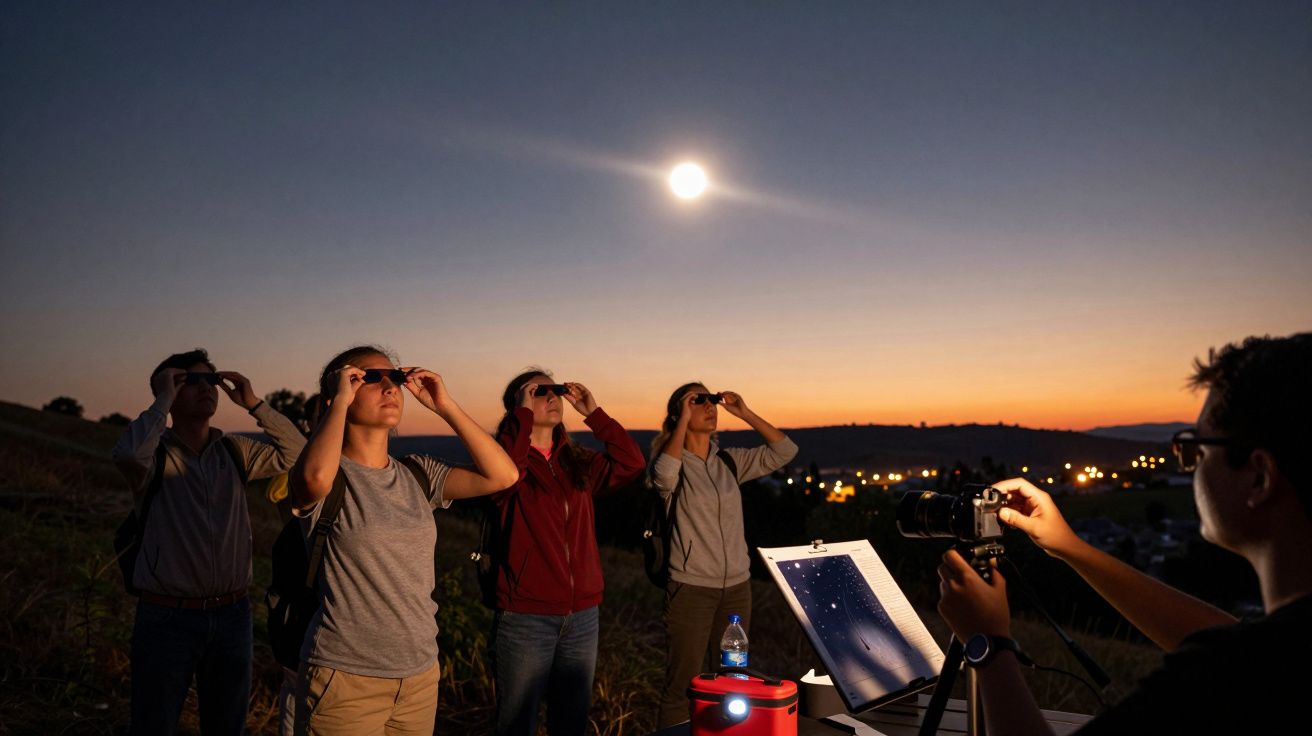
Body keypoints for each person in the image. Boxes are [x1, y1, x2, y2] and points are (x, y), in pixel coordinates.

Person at [936, 332, 1312, 734]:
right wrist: (1070, 548)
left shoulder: (1223, 679)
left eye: (1197, 450)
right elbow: (1228, 637)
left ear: (1259, 478)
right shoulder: (1273, 655)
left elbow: (1233, 655)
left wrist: (988, 645)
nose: (1190, 468)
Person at [288, 346, 519, 736]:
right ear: (340, 393)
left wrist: (444, 406)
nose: (389, 386)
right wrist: (338, 403)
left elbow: (503, 476)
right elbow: (311, 479)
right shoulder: (327, 475)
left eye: (393, 378)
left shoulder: (417, 473)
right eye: (368, 378)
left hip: (419, 676)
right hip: (346, 679)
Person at [112, 348, 307, 735]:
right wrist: (162, 399)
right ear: (168, 390)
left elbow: (298, 454)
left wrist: (253, 403)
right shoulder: (155, 455)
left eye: (210, 381)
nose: (206, 389)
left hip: (233, 614)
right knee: (155, 724)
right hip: (167, 618)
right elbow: (130, 454)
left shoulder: (235, 451)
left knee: (226, 726)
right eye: (190, 381)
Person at [486, 369, 646, 735]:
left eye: (555, 390)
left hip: (582, 616)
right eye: (539, 391)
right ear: (519, 404)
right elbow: (503, 475)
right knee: (516, 726)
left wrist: (594, 413)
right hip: (526, 615)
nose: (552, 396)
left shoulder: (578, 461)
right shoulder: (505, 462)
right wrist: (521, 418)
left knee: (571, 723)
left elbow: (632, 464)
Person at [651, 382, 798, 728]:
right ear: (679, 412)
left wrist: (744, 412)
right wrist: (683, 421)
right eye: (698, 401)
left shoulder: (729, 461)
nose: (709, 406)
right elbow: (662, 478)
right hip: (690, 588)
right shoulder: (673, 462)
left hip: (737, 589)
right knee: (682, 684)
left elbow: (785, 450)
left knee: (732, 681)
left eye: (711, 400)